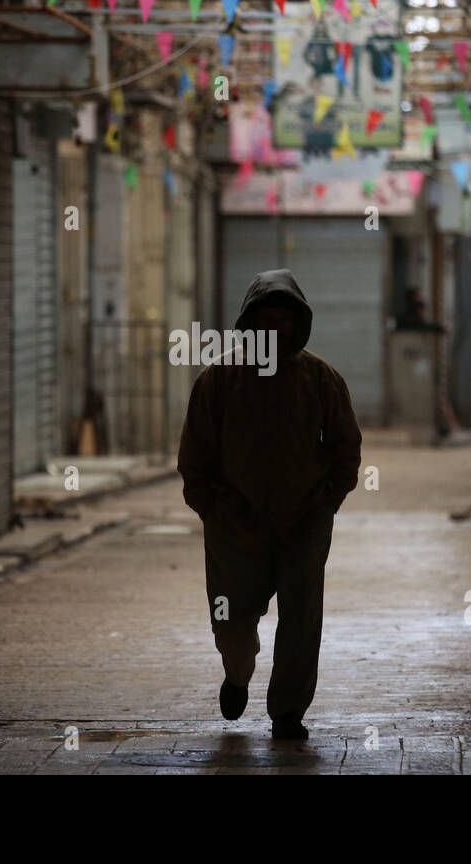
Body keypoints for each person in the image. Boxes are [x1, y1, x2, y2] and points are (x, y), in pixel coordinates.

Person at [177, 269, 362, 740]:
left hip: (303, 525)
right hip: (234, 531)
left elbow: (346, 449)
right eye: (267, 319)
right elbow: (194, 459)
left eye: (285, 319)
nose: (276, 328)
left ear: (298, 324)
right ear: (250, 323)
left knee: (301, 619)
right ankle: (237, 673)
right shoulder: (218, 381)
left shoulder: (321, 380)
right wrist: (213, 508)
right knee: (231, 621)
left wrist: (325, 503)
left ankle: (287, 712)